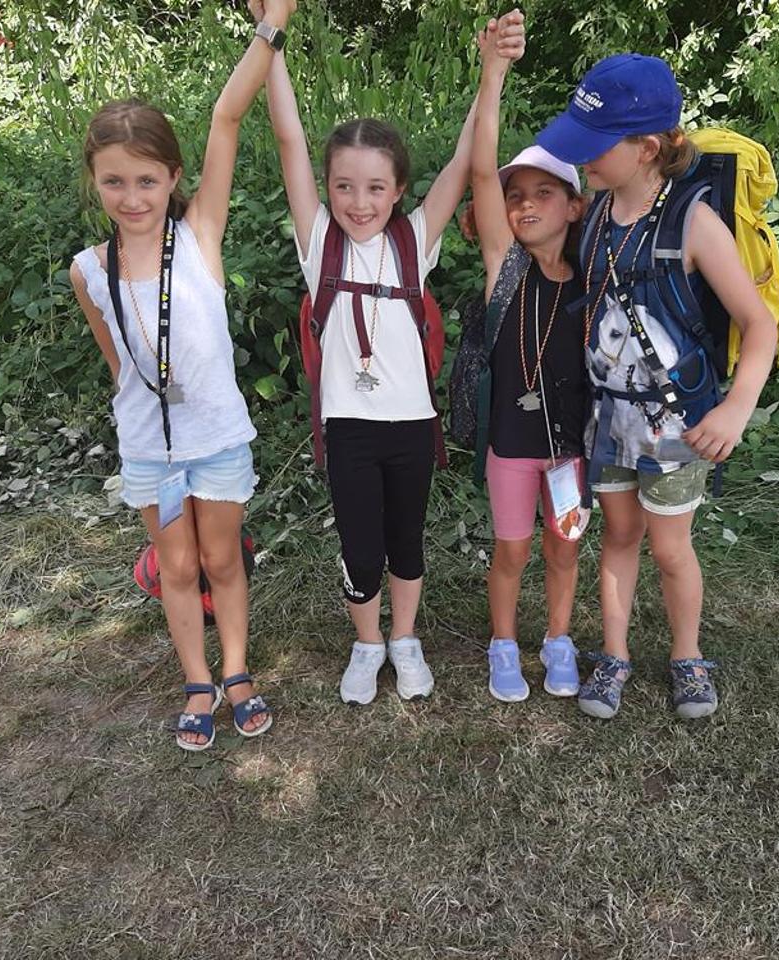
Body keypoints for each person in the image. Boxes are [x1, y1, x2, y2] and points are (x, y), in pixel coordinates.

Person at [263, 13, 525, 705]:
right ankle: (366, 644)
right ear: (327, 188)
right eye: (344, 186)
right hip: (348, 426)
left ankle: (404, 640)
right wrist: (271, 36)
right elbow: (289, 139)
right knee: (360, 547)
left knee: (407, 542)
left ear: (400, 190)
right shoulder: (318, 241)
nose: (359, 202)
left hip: (412, 423)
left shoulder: (414, 240)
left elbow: (468, 159)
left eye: (376, 187)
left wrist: (492, 72)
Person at [68, 0, 296, 750]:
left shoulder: (200, 235)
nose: (131, 198)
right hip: (150, 450)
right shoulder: (88, 270)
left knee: (222, 559)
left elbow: (227, 117)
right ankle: (197, 681)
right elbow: (120, 362)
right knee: (177, 565)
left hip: (217, 439)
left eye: (146, 180)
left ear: (173, 177)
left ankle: (237, 671)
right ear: (94, 183)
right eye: (113, 182)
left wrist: (272, 24)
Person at [535, 54, 778, 719]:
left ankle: (687, 657)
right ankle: (614, 656)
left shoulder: (694, 224)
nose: (581, 157)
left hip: (676, 425)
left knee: (670, 548)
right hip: (609, 419)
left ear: (646, 148)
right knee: (617, 537)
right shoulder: (595, 215)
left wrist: (735, 409)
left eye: (595, 145)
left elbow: (760, 325)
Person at [467, 13, 588, 703]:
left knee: (564, 546)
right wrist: (493, 72)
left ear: (574, 206)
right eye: (517, 197)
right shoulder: (504, 268)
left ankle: (559, 640)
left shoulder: (595, 275)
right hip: (511, 445)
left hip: (570, 449)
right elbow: (482, 170)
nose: (525, 205)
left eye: (544, 193)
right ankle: (505, 643)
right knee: (512, 549)